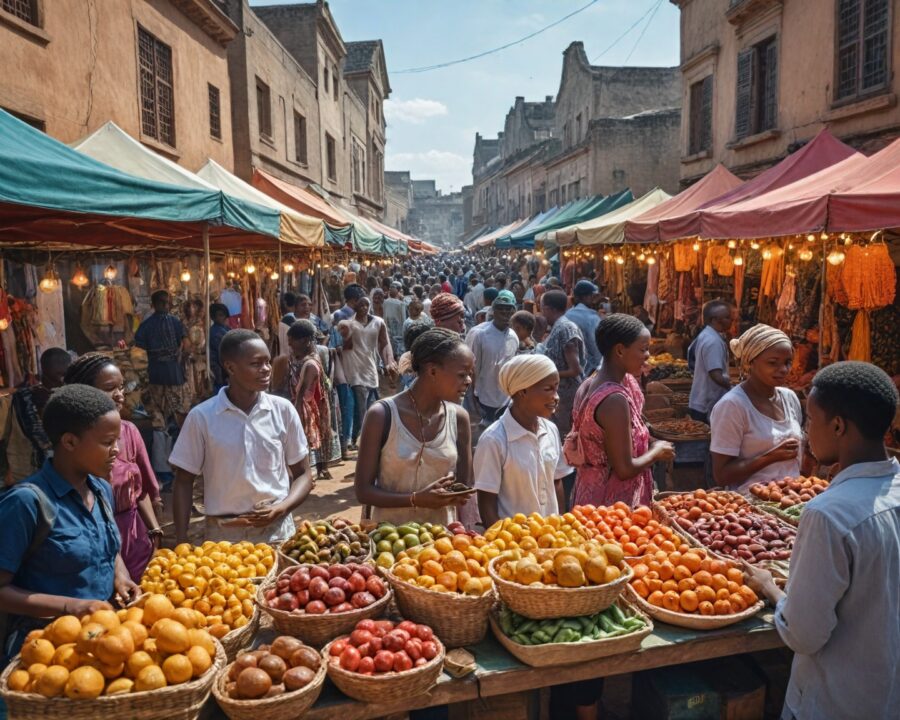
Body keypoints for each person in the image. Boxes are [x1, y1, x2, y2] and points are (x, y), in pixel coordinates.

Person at [742, 362, 900, 720]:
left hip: (835, 701)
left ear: (839, 426)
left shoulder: (828, 514)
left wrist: (771, 588)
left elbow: (803, 634)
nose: (806, 431)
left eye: (811, 420)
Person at [0, 385, 139, 660]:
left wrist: (120, 576)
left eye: (117, 441)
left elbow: (106, 549)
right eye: (107, 442)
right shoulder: (27, 502)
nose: (117, 450)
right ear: (69, 442)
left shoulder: (101, 490)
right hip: (44, 650)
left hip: (101, 644)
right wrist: (71, 607)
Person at [169, 330, 313, 544]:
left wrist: (282, 507)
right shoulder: (202, 417)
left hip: (277, 531)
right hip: (224, 535)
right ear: (230, 367)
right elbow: (183, 481)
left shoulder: (283, 411)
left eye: (267, 362)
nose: (266, 370)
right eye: (256, 364)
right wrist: (181, 541)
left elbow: (303, 475)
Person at [354, 328, 474, 525]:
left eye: (470, 374)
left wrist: (456, 494)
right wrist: (416, 499)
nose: (468, 381)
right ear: (432, 371)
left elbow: (464, 485)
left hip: (441, 545)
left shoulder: (459, 418)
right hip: (389, 542)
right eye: (462, 374)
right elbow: (363, 491)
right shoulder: (382, 415)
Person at [64, 354, 163, 582]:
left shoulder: (130, 432)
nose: (120, 395)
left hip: (134, 538)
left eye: (122, 387)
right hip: (94, 542)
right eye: (110, 388)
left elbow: (142, 491)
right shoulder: (75, 444)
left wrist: (155, 533)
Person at [571, 314, 675, 508]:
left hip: (592, 492)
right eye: (643, 349)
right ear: (619, 350)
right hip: (611, 506)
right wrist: (656, 452)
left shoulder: (591, 383)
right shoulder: (614, 400)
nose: (647, 355)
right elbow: (624, 469)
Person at [474, 354, 570, 527]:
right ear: (523, 391)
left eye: (556, 389)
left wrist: (560, 525)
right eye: (548, 389)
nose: (556, 397)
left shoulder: (551, 431)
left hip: (550, 538)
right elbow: (486, 503)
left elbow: (556, 482)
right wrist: (502, 541)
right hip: (515, 543)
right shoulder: (494, 440)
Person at [710, 324, 802, 495]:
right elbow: (722, 475)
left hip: (792, 497)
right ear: (750, 362)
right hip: (752, 504)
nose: (783, 370)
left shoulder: (789, 398)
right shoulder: (733, 406)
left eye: (788, 363)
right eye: (773, 363)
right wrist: (770, 456)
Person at [271, 320, 333, 482]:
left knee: (304, 440)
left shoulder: (310, 364)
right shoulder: (295, 359)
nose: (289, 343)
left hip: (307, 407)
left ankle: (308, 475)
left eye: (292, 340)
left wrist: (296, 413)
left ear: (305, 341)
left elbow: (302, 395)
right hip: (304, 405)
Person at [0, 348, 71, 485]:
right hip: (25, 478)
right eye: (57, 375)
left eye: (64, 375)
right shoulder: (18, 401)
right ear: (44, 370)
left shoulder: (72, 399)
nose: (61, 381)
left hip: (62, 479)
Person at [339, 296, 396, 450]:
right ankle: (362, 440)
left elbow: (384, 343)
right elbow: (345, 344)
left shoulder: (378, 322)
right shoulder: (349, 323)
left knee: (366, 405)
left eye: (366, 305)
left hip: (370, 366)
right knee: (361, 404)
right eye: (360, 305)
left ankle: (357, 437)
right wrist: (344, 334)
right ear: (355, 307)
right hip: (354, 366)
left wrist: (388, 362)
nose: (364, 308)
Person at [134, 290, 190, 430]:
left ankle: (163, 441)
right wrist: (181, 357)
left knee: (159, 413)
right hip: (171, 374)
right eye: (163, 302)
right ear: (154, 304)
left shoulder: (145, 325)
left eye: (167, 302)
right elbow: (187, 346)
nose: (166, 305)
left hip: (156, 373)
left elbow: (138, 352)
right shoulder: (175, 322)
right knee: (176, 411)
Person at [467, 290, 518, 426]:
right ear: (493, 311)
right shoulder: (481, 335)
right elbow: (474, 368)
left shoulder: (513, 337)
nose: (505, 314)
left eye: (509, 310)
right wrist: (473, 395)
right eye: (501, 309)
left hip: (506, 398)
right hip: (485, 396)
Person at [540, 289, 584, 438]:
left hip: (567, 395)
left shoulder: (565, 328)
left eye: (542, 308)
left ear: (549, 308)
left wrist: (545, 374)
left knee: (564, 435)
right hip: (559, 393)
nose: (542, 313)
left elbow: (575, 369)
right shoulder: (558, 327)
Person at [330, 284, 366, 459]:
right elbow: (339, 345)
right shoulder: (340, 315)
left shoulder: (359, 317)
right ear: (354, 300)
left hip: (358, 368)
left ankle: (352, 441)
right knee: (347, 408)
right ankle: (344, 447)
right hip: (344, 370)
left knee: (360, 407)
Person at [687, 300, 733, 423]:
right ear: (714, 320)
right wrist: (733, 388)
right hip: (706, 403)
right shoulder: (713, 341)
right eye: (727, 317)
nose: (731, 320)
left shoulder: (707, 335)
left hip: (702, 399)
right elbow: (716, 375)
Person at [566, 280, 603, 375]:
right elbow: (596, 347)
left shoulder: (567, 314)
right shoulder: (592, 318)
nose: (595, 299)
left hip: (568, 367)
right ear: (585, 297)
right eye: (592, 296)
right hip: (588, 370)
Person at [208, 302, 230, 393]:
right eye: (219, 315)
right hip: (219, 367)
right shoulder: (216, 332)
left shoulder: (225, 328)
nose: (222, 317)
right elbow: (223, 352)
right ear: (213, 317)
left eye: (223, 315)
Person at [382, 284, 407, 357]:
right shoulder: (401, 304)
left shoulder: (385, 302)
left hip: (388, 328)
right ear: (398, 292)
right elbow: (403, 318)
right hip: (399, 331)